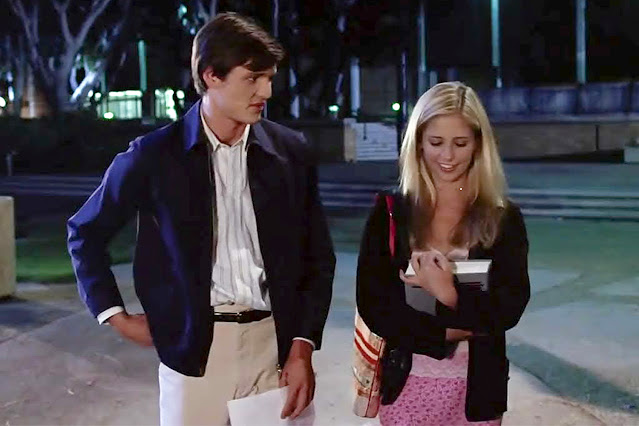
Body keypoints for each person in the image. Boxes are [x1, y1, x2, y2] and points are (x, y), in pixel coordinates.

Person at [67, 12, 335, 426]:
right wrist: (115, 316)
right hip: (195, 354)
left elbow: (318, 256)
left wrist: (302, 346)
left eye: (269, 78)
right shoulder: (154, 156)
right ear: (211, 76)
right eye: (253, 78)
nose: (266, 91)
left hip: (275, 350)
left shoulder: (290, 152)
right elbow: (85, 232)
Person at [356, 81, 530, 425]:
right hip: (405, 387)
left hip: (477, 393)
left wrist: (449, 293)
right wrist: (446, 334)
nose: (447, 157)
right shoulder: (390, 211)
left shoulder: (502, 217)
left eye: (460, 143)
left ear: (479, 144)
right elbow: (374, 305)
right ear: (418, 142)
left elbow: (509, 306)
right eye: (436, 142)